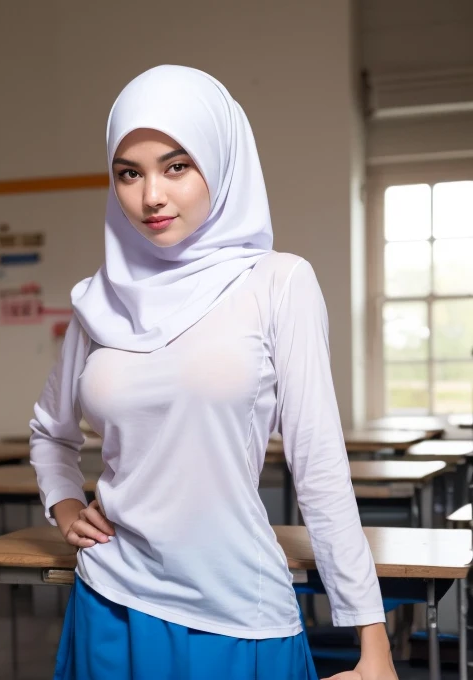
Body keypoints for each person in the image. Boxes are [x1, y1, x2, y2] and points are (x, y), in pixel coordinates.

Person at [30, 65, 397, 680]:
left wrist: (372, 641)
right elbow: (50, 432)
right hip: (109, 603)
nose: (151, 196)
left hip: (237, 613)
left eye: (177, 166)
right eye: (129, 173)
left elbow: (319, 467)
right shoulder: (99, 300)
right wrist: (65, 506)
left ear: (223, 165)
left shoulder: (278, 282)